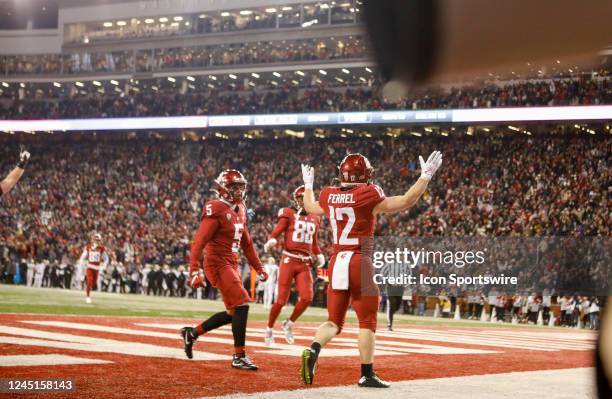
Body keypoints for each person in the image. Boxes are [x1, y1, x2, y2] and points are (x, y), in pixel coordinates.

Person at [299, 151, 442, 388]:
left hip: (337, 260)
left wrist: (308, 185)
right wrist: (425, 176)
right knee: (366, 321)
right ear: (364, 175)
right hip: (359, 260)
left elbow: (310, 207)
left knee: (334, 321)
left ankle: (314, 349)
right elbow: (406, 200)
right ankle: (366, 374)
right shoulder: (368, 194)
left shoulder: (329, 194)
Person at [180, 169, 268, 371]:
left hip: (232, 263)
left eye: (240, 186)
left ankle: (192, 333)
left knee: (233, 312)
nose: (238, 191)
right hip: (217, 262)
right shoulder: (216, 208)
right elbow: (199, 242)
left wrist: (259, 267)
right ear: (222, 188)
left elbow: (247, 244)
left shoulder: (241, 208)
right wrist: (194, 271)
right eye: (233, 186)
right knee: (243, 303)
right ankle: (239, 356)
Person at [263, 185, 324, 346]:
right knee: (281, 300)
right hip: (289, 259)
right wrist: (273, 238)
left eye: (305, 198)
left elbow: (314, 241)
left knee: (307, 297)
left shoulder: (315, 217)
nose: (302, 202)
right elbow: (279, 229)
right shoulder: (288, 213)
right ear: (295, 200)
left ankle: (289, 323)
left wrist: (318, 254)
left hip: (303, 262)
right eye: (300, 198)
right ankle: (269, 329)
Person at [77, 233, 109, 304]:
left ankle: (89, 288)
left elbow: (106, 259)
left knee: (94, 284)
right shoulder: (88, 247)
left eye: (98, 240)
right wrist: (82, 264)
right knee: (89, 281)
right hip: (90, 267)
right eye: (95, 240)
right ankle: (88, 297)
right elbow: (83, 257)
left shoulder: (101, 249)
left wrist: (103, 266)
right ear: (92, 240)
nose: (96, 242)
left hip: (97, 268)